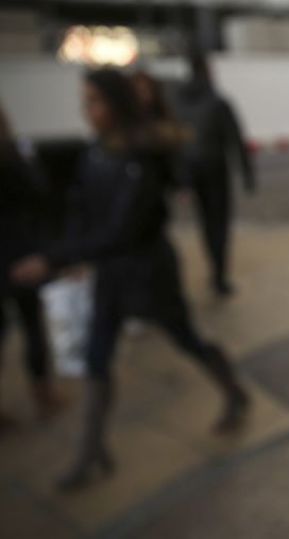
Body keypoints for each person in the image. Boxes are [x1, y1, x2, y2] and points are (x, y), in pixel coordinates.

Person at [11, 69, 249, 490]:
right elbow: (82, 210)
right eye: (86, 102)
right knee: (98, 360)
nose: (87, 111)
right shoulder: (97, 152)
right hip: (111, 274)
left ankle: (232, 391)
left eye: (95, 102)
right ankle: (91, 452)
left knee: (186, 339)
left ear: (117, 104)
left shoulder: (141, 154)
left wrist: (54, 259)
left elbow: (122, 227)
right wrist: (66, 253)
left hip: (149, 272)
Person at [0, 105, 63, 426]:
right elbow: (39, 193)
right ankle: (42, 392)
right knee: (31, 324)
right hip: (17, 254)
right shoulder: (12, 158)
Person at [175, 51, 255, 296]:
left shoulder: (180, 103)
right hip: (215, 171)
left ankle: (214, 267)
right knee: (219, 223)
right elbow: (235, 140)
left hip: (193, 171)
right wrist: (247, 174)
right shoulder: (217, 102)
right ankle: (219, 276)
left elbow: (177, 143)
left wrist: (182, 179)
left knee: (206, 224)